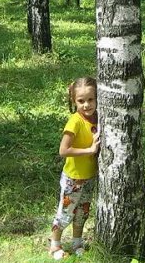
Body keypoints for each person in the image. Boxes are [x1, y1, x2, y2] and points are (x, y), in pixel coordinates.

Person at [48, 76, 101, 260]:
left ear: (97, 98)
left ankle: (77, 242)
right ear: (74, 101)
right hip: (73, 178)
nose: (86, 105)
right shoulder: (75, 121)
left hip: (89, 177)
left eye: (90, 100)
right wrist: (90, 150)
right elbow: (64, 150)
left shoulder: (98, 117)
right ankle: (55, 245)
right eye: (81, 101)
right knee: (65, 213)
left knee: (82, 212)